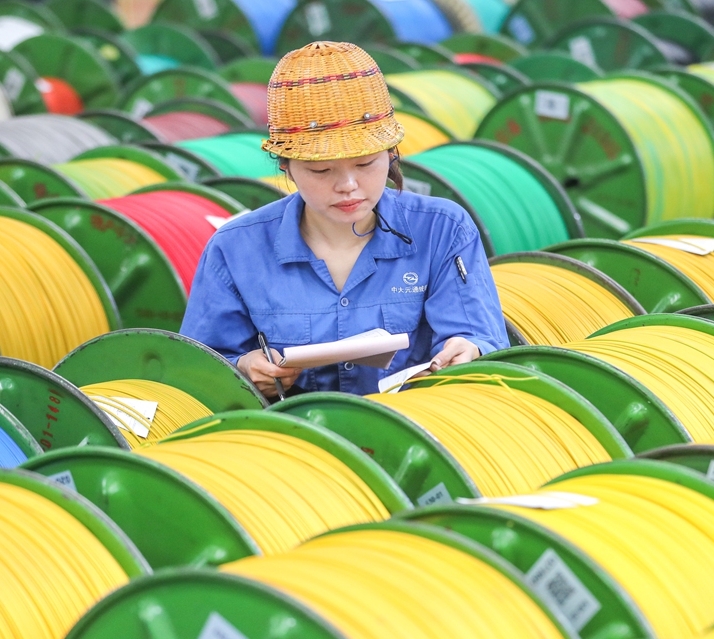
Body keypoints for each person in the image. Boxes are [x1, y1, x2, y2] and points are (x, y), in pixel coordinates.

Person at [180, 41, 508, 398]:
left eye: (366, 164)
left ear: (391, 154)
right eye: (321, 170)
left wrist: (468, 349)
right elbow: (197, 374)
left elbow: (480, 337)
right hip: (291, 441)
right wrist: (244, 367)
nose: (348, 187)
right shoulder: (235, 249)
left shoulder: (443, 230)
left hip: (417, 436)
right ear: (286, 167)